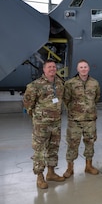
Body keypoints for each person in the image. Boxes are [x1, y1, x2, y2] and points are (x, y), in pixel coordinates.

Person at [23, 60, 65, 189]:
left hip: (56, 123)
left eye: (54, 67)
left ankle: (51, 173)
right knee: (39, 151)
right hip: (41, 124)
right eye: (49, 67)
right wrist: (38, 117)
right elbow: (28, 103)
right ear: (44, 69)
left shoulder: (59, 83)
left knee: (53, 148)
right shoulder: (35, 85)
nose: (52, 69)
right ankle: (40, 177)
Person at [63, 59, 101, 178]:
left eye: (85, 67)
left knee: (90, 142)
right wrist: (75, 110)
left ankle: (88, 166)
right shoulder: (70, 83)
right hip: (75, 120)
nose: (83, 69)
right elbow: (66, 99)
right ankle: (70, 168)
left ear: (88, 68)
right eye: (81, 67)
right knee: (72, 143)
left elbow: (97, 98)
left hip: (90, 119)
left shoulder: (94, 83)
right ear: (77, 69)